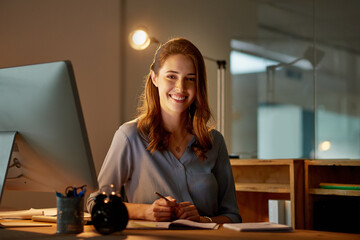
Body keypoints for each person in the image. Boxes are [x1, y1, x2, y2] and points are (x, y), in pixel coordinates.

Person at [87, 38, 242, 224]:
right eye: (172, 76)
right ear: (154, 77)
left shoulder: (214, 142)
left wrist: (202, 220)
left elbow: (233, 217)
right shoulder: (129, 136)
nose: (181, 88)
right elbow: (96, 202)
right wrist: (146, 212)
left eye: (190, 79)